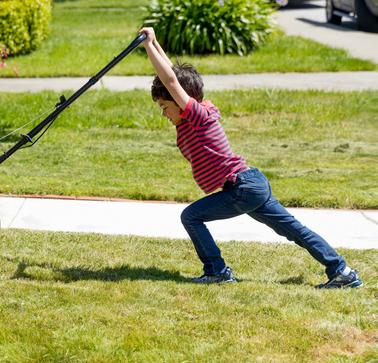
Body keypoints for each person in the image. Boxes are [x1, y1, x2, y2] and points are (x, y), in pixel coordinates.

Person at [138, 27, 363, 288]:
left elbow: (172, 83)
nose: (164, 113)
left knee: (191, 216)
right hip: (252, 184)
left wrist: (146, 48)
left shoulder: (198, 117)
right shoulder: (191, 120)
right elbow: (172, 78)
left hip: (242, 187)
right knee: (294, 230)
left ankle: (217, 271)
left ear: (182, 102)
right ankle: (342, 271)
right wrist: (154, 43)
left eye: (165, 107)